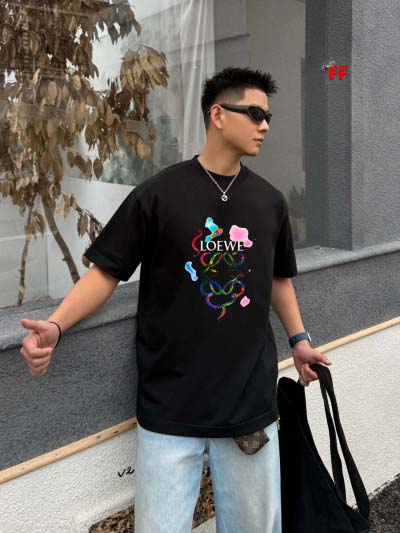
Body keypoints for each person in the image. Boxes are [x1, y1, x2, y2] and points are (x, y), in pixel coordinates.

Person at [20, 66, 332, 532]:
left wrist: (299, 341)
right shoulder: (160, 195)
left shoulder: (269, 203)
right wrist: (56, 325)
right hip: (170, 407)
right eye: (255, 113)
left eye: (268, 116)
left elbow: (278, 278)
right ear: (218, 115)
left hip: (248, 404)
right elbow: (106, 272)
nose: (265, 125)